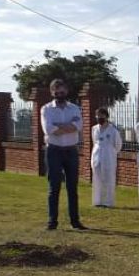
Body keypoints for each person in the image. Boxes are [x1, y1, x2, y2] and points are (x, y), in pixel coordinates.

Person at [40, 79, 87, 230]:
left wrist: (59, 127)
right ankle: (52, 221)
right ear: (52, 92)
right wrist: (69, 126)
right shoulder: (46, 109)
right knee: (54, 187)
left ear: (67, 91)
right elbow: (48, 129)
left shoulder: (74, 108)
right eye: (56, 91)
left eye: (62, 91)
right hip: (54, 150)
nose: (60, 94)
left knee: (72, 187)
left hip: (71, 150)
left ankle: (75, 221)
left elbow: (79, 126)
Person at [90, 108, 122, 208]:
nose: (99, 118)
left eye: (101, 115)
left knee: (108, 179)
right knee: (97, 178)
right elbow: (95, 142)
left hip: (109, 157)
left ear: (106, 116)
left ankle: (108, 202)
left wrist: (110, 153)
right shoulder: (94, 129)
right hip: (97, 156)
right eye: (98, 116)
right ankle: (97, 201)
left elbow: (118, 145)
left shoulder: (113, 130)